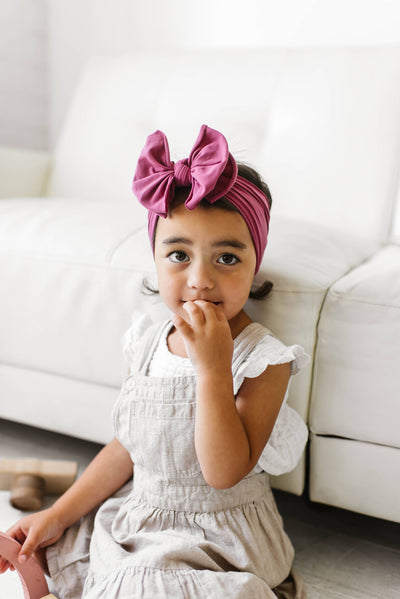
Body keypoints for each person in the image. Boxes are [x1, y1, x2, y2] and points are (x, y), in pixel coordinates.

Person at [0, 125, 309, 598]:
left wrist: (212, 370)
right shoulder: (148, 339)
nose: (201, 280)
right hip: (143, 514)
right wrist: (57, 513)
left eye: (227, 258)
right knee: (67, 545)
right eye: (179, 255)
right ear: (156, 261)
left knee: (152, 586)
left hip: (217, 538)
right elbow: (127, 448)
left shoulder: (262, 359)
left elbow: (223, 472)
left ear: (255, 263)